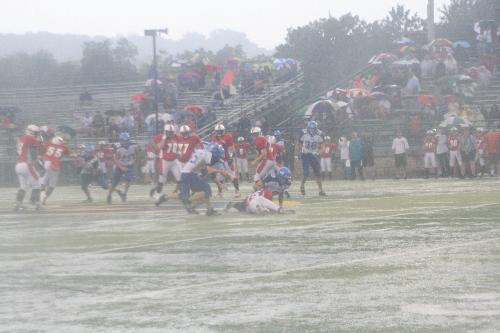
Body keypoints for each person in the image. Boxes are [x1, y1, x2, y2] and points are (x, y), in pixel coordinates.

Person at [178, 143, 229, 215]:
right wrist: (220, 171)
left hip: (186, 173)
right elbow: (207, 169)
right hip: (190, 174)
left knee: (206, 189)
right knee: (206, 191)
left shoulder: (201, 151)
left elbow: (200, 166)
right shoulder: (208, 155)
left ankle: (209, 209)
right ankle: (189, 203)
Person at [225, 167, 294, 214]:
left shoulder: (281, 184)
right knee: (266, 210)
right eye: (286, 178)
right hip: (256, 201)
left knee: (245, 207)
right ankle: (263, 208)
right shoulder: (270, 179)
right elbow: (257, 187)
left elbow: (280, 192)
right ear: (280, 177)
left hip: (249, 201)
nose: (288, 179)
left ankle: (234, 204)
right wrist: (279, 208)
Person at [14, 124, 43, 211]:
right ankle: (37, 204)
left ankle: (18, 204)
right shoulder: (30, 137)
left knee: (23, 186)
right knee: (37, 183)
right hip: (26, 164)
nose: (36, 134)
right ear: (31, 131)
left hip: (19, 165)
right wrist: (38, 163)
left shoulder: (22, 139)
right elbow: (35, 151)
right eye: (36, 133)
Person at [151, 124, 182, 206]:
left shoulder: (177, 137)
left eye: (171, 132)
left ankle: (178, 193)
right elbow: (159, 147)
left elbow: (181, 147)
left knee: (180, 178)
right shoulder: (161, 137)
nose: (170, 134)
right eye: (169, 132)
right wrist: (164, 139)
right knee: (162, 179)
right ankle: (157, 194)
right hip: (164, 160)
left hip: (174, 160)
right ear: (165, 132)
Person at [40, 136, 73, 205]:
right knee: (52, 185)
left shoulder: (48, 144)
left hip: (46, 163)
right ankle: (44, 198)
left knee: (43, 182)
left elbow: (41, 150)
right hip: (54, 165)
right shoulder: (63, 147)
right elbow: (70, 153)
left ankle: (42, 196)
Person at [298, 121, 326, 196]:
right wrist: (300, 152)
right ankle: (302, 186)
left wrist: (318, 152)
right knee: (306, 173)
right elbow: (299, 144)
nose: (312, 130)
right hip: (305, 154)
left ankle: (321, 190)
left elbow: (323, 147)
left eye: (313, 129)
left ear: (316, 128)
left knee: (318, 173)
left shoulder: (320, 134)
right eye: (310, 128)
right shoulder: (303, 133)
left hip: (314, 155)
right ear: (308, 128)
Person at [211, 124, 240, 198]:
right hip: (219, 160)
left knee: (232, 176)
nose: (219, 133)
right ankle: (220, 192)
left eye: (220, 131)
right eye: (218, 131)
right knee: (219, 178)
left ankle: (237, 190)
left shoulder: (228, 136)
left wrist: (231, 157)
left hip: (227, 159)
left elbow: (231, 147)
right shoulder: (213, 137)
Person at [107, 132, 137, 204]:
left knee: (128, 179)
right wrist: (121, 167)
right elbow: (115, 159)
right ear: (120, 140)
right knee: (114, 182)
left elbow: (135, 155)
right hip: (119, 165)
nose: (124, 142)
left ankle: (124, 194)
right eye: (123, 140)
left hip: (129, 165)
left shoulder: (133, 146)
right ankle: (109, 195)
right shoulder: (118, 147)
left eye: (126, 140)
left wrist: (133, 161)